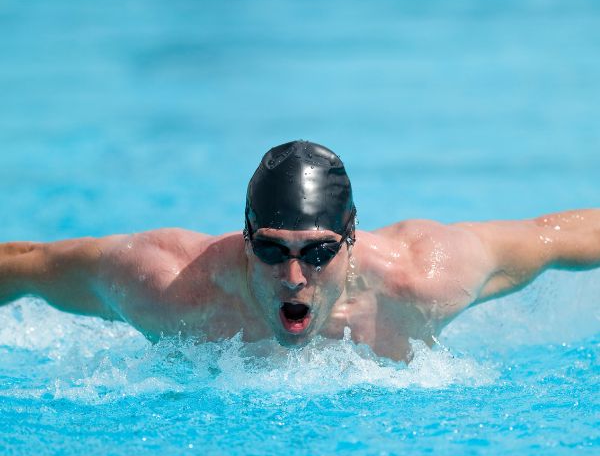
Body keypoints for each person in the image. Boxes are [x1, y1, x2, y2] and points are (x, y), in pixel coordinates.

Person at [0, 140, 599, 361]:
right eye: (270, 250)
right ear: (244, 236)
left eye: (317, 253)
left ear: (351, 236)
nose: (292, 276)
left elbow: (553, 236)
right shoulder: (169, 286)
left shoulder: (424, 279)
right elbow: (29, 266)